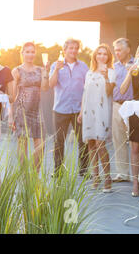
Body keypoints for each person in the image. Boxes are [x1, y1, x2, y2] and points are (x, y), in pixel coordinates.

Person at [78, 44, 116, 192]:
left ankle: (107, 178)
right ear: (95, 56)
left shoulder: (111, 72)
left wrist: (106, 77)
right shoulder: (89, 73)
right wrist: (81, 112)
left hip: (102, 112)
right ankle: (96, 176)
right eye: (99, 53)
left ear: (108, 57)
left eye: (104, 54)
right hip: (88, 111)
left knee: (101, 144)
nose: (101, 56)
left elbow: (108, 92)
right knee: (91, 144)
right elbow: (85, 94)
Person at [49, 38, 89, 176]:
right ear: (64, 50)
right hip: (61, 109)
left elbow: (87, 87)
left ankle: (84, 171)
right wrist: (56, 70)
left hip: (79, 110)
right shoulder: (56, 65)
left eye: (75, 48)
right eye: (70, 48)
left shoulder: (83, 66)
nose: (73, 51)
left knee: (83, 141)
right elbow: (51, 84)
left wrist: (84, 109)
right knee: (59, 142)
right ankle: (58, 171)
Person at [111, 38, 139, 184]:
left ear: (128, 50)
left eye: (119, 50)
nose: (117, 53)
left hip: (136, 108)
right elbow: (117, 88)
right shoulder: (114, 66)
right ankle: (123, 173)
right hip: (119, 106)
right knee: (119, 140)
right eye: (116, 50)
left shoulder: (136, 64)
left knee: (138, 143)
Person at [11, 42, 50, 171]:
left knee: (41, 145)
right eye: (27, 51)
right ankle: (24, 175)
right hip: (21, 110)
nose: (30, 54)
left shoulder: (40, 70)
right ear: (22, 53)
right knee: (23, 144)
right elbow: (12, 95)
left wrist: (46, 72)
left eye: (32, 52)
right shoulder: (16, 71)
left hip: (36, 110)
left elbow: (44, 88)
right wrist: (11, 115)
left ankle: (34, 173)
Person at [120, 42, 139, 197]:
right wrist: (129, 73)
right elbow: (122, 91)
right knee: (135, 149)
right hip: (136, 113)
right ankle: (135, 183)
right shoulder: (134, 71)